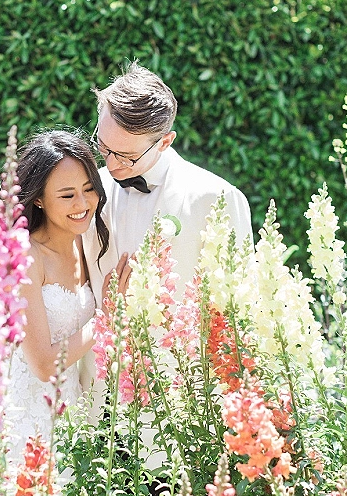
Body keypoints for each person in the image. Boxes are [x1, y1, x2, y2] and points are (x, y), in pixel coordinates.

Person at [81, 62, 253, 388]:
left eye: (127, 155)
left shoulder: (216, 198)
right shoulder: (86, 192)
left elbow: (240, 309)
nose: (111, 163)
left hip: (180, 391)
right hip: (97, 389)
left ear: (165, 141)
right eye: (103, 146)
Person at [5, 130, 109, 464]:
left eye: (89, 189)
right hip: (27, 420)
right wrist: (109, 318)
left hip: (74, 414)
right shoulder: (25, 257)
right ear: (38, 199)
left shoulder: (87, 241)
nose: (82, 204)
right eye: (67, 195)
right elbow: (43, 364)